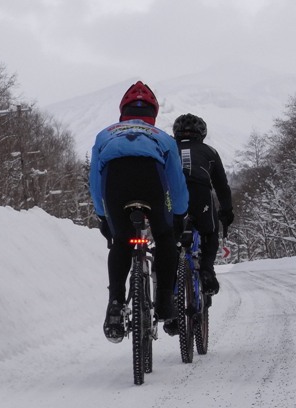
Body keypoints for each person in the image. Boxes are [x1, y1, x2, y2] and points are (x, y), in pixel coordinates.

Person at [89, 81, 189, 343]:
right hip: (151, 181)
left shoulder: (104, 135)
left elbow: (96, 182)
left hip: (116, 182)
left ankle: (114, 305)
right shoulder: (163, 138)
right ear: (153, 114)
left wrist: (103, 217)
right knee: (165, 236)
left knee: (122, 241)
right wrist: (178, 216)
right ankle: (165, 299)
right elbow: (176, 184)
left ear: (123, 112)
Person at [172, 113, 234, 295]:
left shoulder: (167, 148)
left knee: (168, 236)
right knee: (210, 231)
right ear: (202, 133)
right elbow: (221, 186)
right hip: (199, 193)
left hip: (173, 194)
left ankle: (168, 289)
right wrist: (226, 212)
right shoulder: (209, 151)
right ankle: (206, 269)